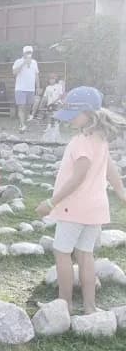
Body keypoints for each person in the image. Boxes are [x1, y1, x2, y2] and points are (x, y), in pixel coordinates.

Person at [35, 86, 126, 315]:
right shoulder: (100, 139)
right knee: (85, 255)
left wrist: (51, 202)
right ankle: (90, 307)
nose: (69, 119)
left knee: (62, 253)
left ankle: (64, 305)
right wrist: (120, 191)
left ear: (88, 113)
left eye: (73, 114)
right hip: (95, 208)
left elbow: (78, 176)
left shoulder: (80, 142)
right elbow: (110, 168)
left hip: (73, 208)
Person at [12, 45, 40, 132]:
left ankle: (24, 123)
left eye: (30, 52)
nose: (29, 54)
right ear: (23, 53)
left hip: (31, 89)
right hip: (20, 88)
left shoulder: (34, 62)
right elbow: (14, 72)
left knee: (28, 107)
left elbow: (36, 75)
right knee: (21, 106)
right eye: (27, 52)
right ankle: (22, 125)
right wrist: (24, 63)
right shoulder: (18, 61)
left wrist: (38, 87)